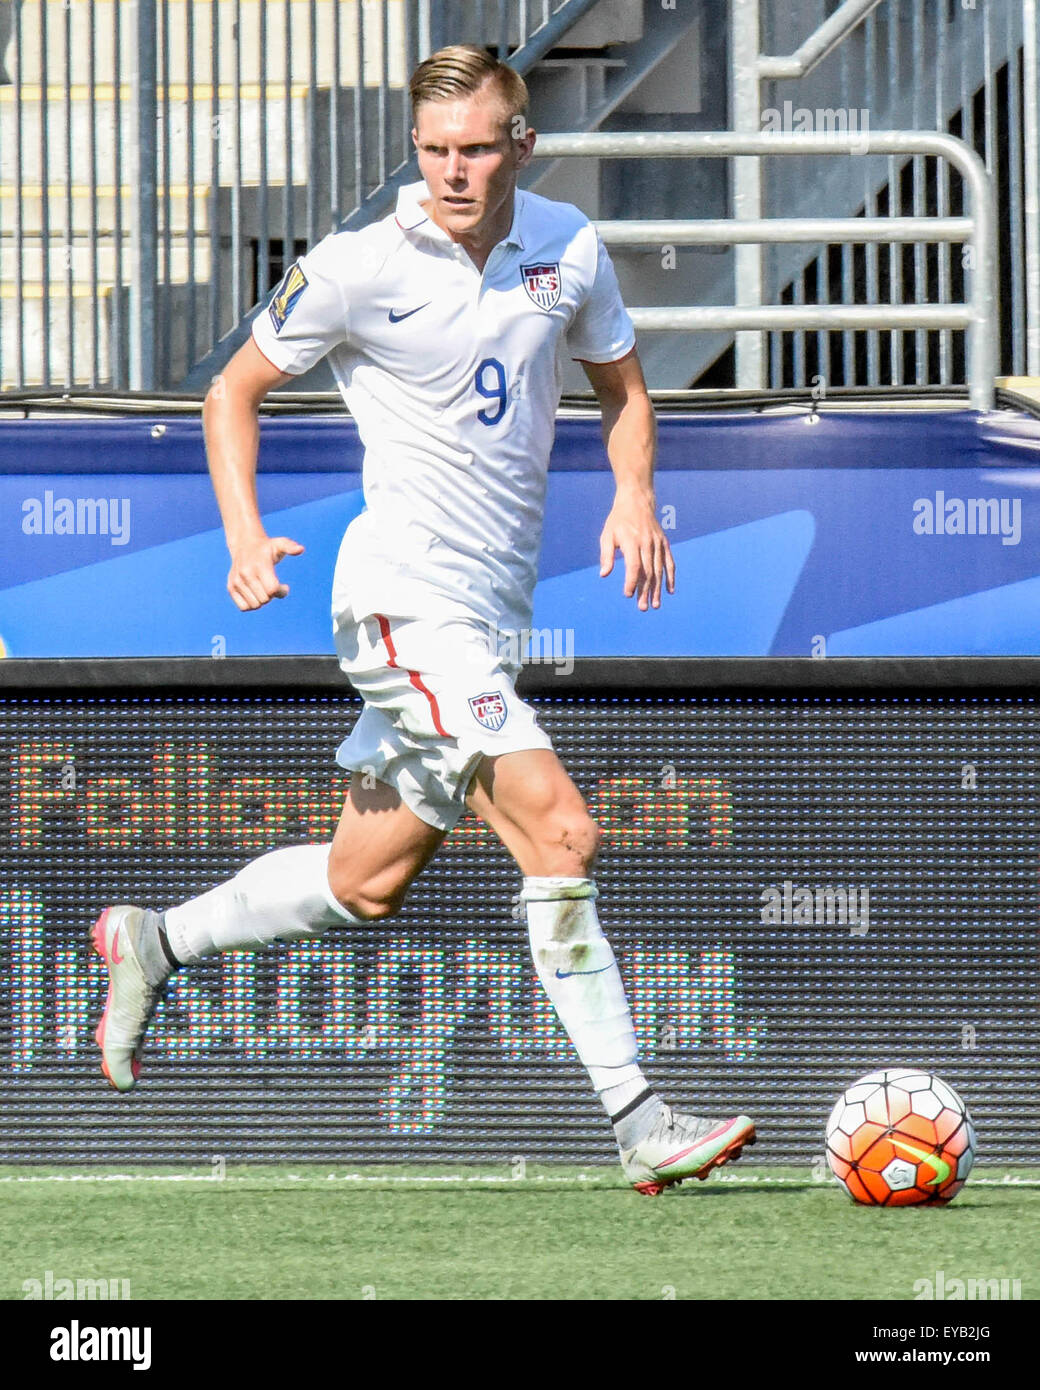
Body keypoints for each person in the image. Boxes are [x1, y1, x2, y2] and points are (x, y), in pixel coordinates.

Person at [92, 43, 754, 1194]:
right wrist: (244, 535)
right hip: (400, 597)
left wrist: (637, 495)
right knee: (558, 827)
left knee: (366, 880)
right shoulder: (354, 264)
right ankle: (638, 1119)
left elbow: (623, 385)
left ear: (520, 144)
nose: (455, 170)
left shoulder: (570, 248)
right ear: (417, 149)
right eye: (436, 149)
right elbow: (231, 390)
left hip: (484, 613)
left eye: (478, 147)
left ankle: (154, 938)